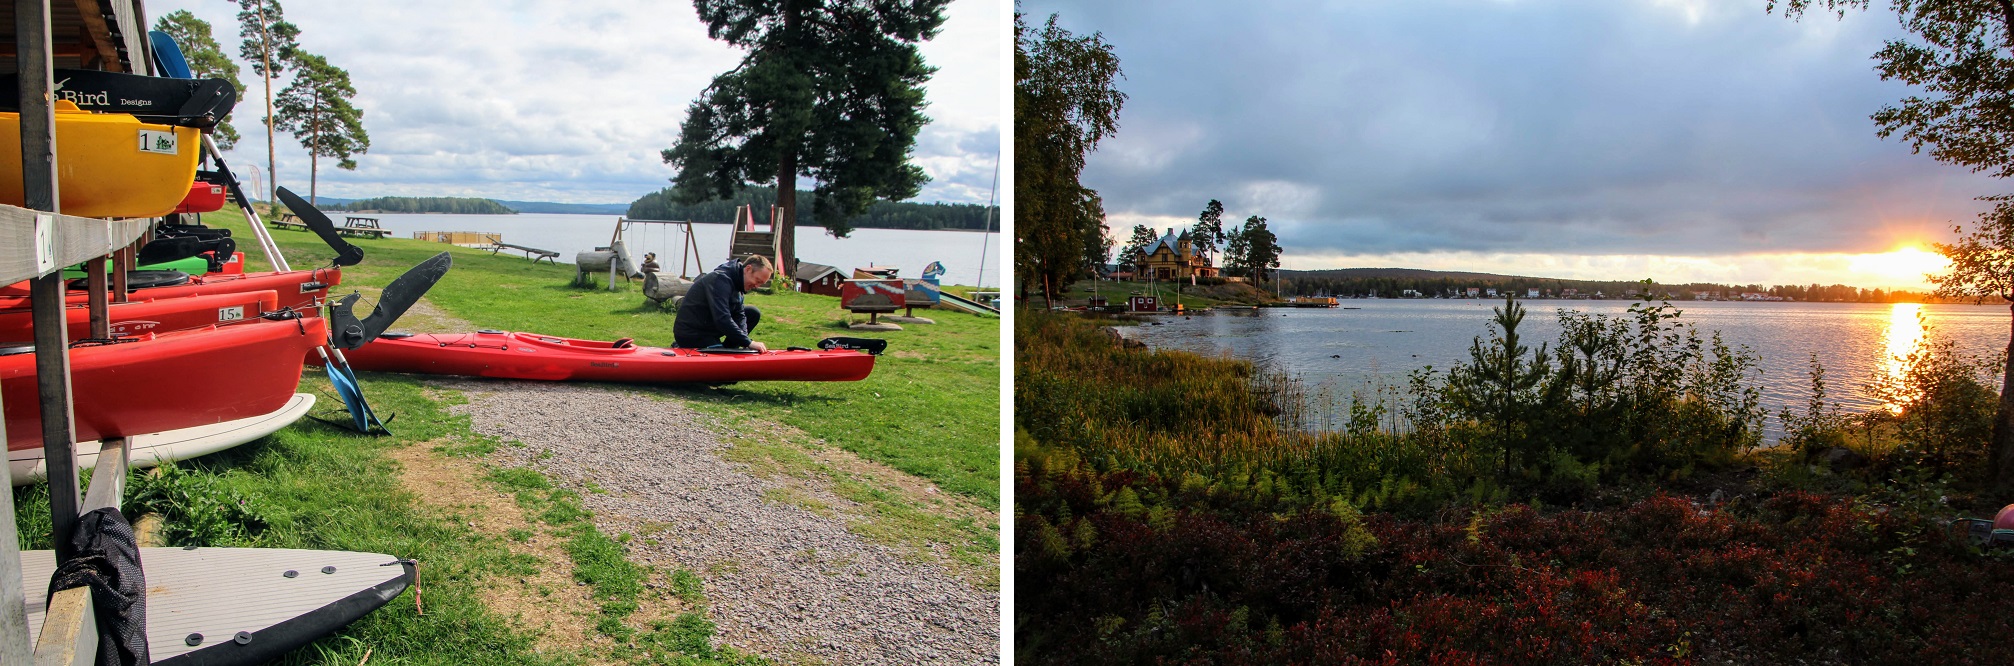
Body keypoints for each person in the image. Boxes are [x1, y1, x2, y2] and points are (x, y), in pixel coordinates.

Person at [673, 255, 774, 351]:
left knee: (752, 313)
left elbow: (739, 315)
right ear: (748, 269)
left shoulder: (738, 282)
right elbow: (722, 317)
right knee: (718, 361)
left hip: (709, 327)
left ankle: (730, 349)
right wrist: (748, 343)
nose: (757, 286)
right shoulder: (720, 280)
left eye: (761, 283)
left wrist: (745, 341)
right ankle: (683, 346)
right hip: (692, 333)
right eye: (757, 280)